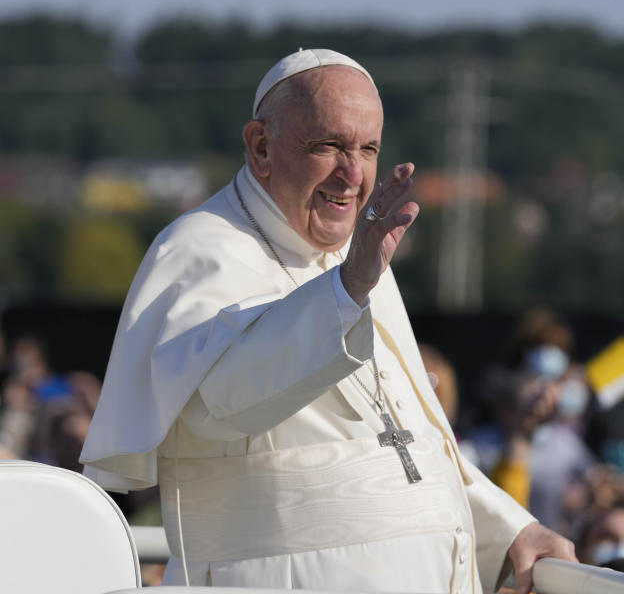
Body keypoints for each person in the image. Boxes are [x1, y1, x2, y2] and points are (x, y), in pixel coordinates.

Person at [80, 49, 574, 592]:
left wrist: (510, 530)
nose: (353, 174)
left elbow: (405, 450)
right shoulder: (200, 250)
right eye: (330, 146)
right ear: (261, 147)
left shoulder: (357, 260)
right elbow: (221, 401)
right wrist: (345, 291)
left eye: (368, 149)